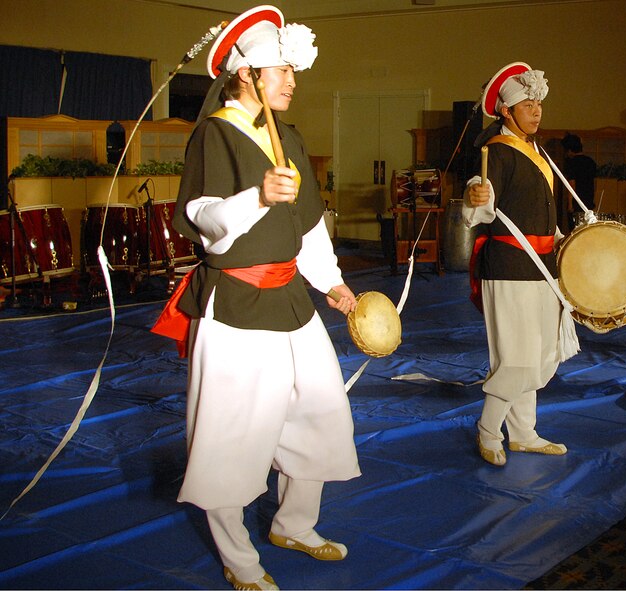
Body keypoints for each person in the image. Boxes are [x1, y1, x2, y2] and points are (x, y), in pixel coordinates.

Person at [151, 6, 360, 590]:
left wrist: (332, 282)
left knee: (321, 411)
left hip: (292, 300)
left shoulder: (287, 136)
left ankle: (295, 524)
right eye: (282, 70)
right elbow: (201, 217)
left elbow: (309, 223)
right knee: (231, 432)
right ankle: (239, 559)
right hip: (236, 305)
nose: (292, 81)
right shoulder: (215, 133)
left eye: (293, 71)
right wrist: (258, 197)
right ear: (246, 73)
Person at [462, 62, 569, 466]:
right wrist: (475, 196)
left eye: (538, 104)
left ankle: (523, 433)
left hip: (543, 267)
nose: (536, 111)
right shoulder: (497, 151)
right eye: (527, 105)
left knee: (540, 354)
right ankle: (489, 431)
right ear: (506, 111)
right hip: (509, 266)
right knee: (517, 358)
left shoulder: (537, 152)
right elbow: (481, 192)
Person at [561, 132, 597, 228]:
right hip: (588, 201)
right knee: (587, 229)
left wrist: (570, 205)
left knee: (574, 229)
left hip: (576, 203)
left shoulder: (571, 163)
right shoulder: (590, 162)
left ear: (569, 150)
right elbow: (594, 183)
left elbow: (571, 185)